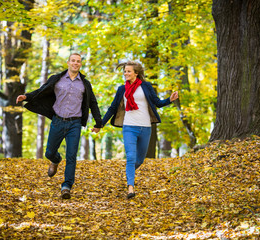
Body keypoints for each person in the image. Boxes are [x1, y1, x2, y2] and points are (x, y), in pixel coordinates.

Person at [16, 53, 102, 199]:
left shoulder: (85, 84)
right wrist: (27, 96)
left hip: (75, 123)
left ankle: (66, 186)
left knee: (71, 156)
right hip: (57, 121)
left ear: (80, 64)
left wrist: (98, 122)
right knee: (49, 152)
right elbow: (41, 90)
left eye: (78, 61)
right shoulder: (57, 79)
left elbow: (92, 103)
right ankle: (55, 160)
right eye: (73, 61)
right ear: (68, 62)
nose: (75, 63)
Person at [102, 60, 179, 199]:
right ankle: (130, 187)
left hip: (145, 128)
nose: (126, 73)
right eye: (125, 71)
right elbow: (113, 108)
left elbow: (157, 103)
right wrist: (100, 124)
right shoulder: (122, 89)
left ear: (136, 73)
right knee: (131, 157)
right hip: (129, 126)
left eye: (128, 71)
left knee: (140, 160)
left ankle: (128, 172)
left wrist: (169, 100)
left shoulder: (146, 86)